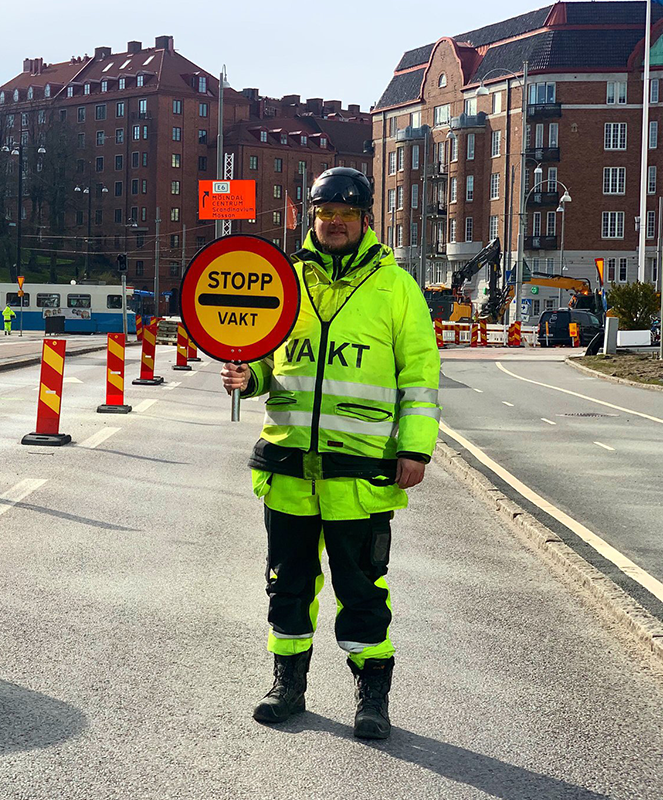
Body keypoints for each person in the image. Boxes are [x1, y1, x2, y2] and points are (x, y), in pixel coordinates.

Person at [221, 167, 441, 739]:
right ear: (312, 218)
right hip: (289, 466)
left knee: (362, 591)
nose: (335, 223)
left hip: (360, 473)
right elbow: (269, 360)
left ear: (365, 220)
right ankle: (287, 687)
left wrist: (415, 449)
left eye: (346, 215)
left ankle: (371, 699)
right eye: (326, 214)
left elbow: (418, 375)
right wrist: (249, 378)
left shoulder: (396, 287)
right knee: (287, 585)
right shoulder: (284, 282)